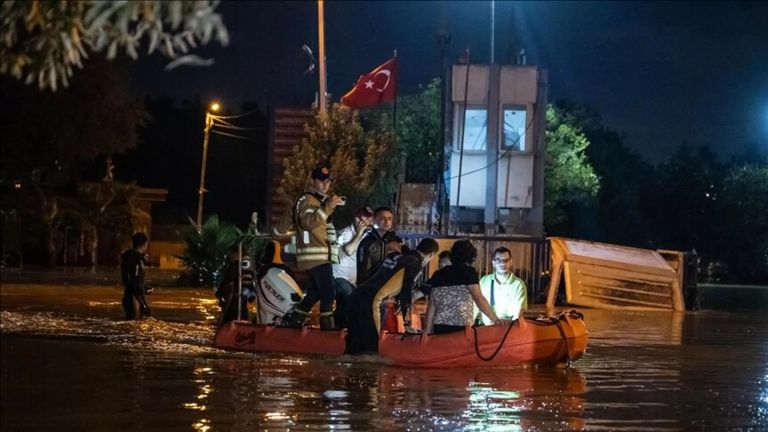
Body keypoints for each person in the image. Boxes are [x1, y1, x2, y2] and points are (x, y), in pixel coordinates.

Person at [345, 237, 439, 354]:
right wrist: (407, 323)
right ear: (431, 254)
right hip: (371, 302)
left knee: (353, 346)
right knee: (372, 348)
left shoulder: (398, 256)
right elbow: (406, 291)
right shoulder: (415, 263)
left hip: (356, 296)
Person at [283, 165, 344, 330]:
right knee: (328, 292)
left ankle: (294, 321)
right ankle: (327, 328)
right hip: (316, 256)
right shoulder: (307, 199)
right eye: (321, 181)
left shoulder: (318, 200)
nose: (326, 185)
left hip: (320, 255)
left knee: (315, 293)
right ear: (312, 181)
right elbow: (308, 222)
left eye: (328, 181)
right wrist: (328, 207)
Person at [422, 239, 500, 335]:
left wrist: (427, 329)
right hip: (461, 327)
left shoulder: (437, 274)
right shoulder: (469, 272)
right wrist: (496, 320)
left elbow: (432, 305)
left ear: (452, 256)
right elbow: (479, 299)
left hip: (439, 326)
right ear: (472, 257)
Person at [332, 206, 375, 328]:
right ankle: (344, 327)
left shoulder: (366, 236)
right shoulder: (346, 233)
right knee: (350, 297)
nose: (369, 222)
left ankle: (340, 327)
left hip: (353, 279)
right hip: (339, 277)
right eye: (366, 219)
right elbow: (349, 250)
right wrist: (359, 234)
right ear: (357, 220)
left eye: (371, 219)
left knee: (349, 303)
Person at [475, 246, 528, 324]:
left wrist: (510, 327)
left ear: (511, 262)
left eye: (506, 260)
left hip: (508, 327)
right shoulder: (484, 281)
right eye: (498, 260)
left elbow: (519, 313)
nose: (502, 263)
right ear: (493, 263)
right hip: (486, 327)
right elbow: (476, 304)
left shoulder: (518, 284)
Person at [356, 206, 395, 285]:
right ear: (374, 220)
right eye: (382, 218)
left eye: (389, 218)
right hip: (371, 287)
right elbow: (363, 273)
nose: (387, 221)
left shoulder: (395, 241)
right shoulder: (367, 242)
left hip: (391, 287)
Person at [215, 247, 252, 324]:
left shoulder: (232, 268)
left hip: (231, 309)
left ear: (235, 254)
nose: (230, 256)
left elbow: (222, 288)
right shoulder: (249, 270)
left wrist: (219, 294)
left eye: (231, 254)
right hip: (243, 310)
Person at [120, 232, 151, 320]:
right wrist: (143, 303)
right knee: (135, 323)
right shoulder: (135, 259)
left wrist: (144, 288)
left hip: (132, 297)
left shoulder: (132, 257)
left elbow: (133, 279)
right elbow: (134, 280)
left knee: (134, 323)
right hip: (134, 299)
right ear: (145, 244)